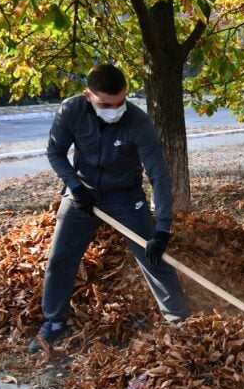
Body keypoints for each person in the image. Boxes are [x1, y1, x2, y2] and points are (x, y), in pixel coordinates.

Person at [29, 64, 188, 353]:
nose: (114, 110)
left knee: (153, 257)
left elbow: (159, 175)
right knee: (60, 258)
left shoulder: (138, 122)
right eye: (105, 104)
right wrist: (75, 187)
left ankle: (178, 319)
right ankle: (53, 322)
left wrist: (163, 228)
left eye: (120, 103)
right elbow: (55, 151)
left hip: (126, 197)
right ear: (88, 95)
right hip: (83, 193)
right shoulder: (71, 111)